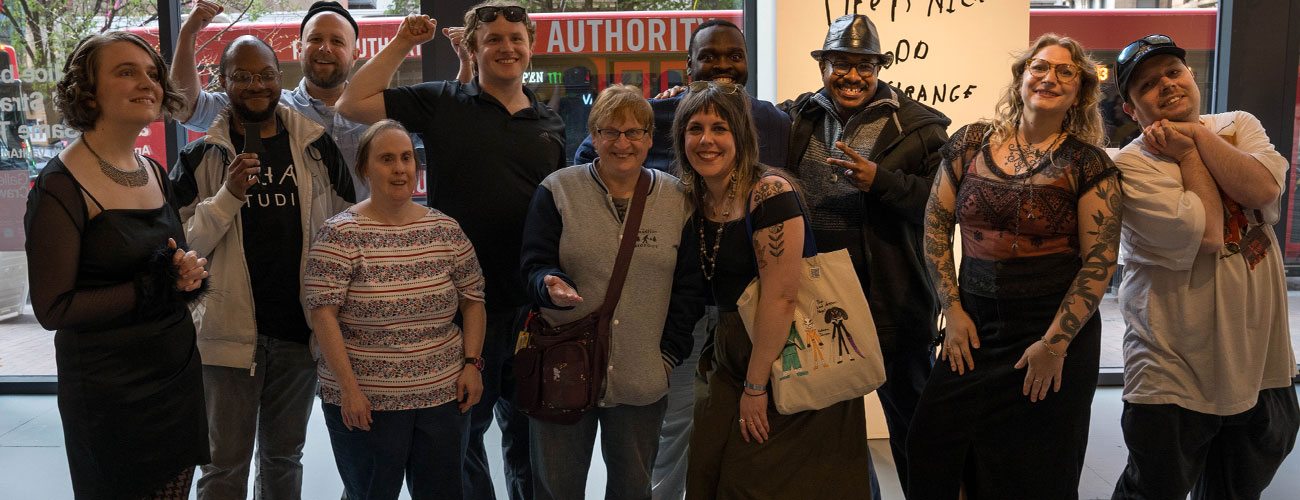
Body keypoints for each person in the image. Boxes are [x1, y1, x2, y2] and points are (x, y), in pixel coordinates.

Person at [337, 3, 565, 498]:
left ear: (531, 46)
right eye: (493, 39)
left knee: (529, 440)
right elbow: (352, 103)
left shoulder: (550, 121)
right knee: (464, 441)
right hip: (463, 309)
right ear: (473, 48)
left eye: (515, 38)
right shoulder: (443, 102)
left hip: (531, 308)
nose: (506, 47)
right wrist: (402, 42)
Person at [574, 20, 792, 498]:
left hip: (757, 314)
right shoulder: (662, 112)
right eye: (708, 57)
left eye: (733, 55)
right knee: (676, 434)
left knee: (763, 435)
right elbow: (591, 158)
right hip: (682, 306)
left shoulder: (774, 122)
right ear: (688, 67)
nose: (722, 65)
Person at [909, 34, 1121, 498]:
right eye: (1040, 66)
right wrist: (954, 311)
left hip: (1051, 330)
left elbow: (1100, 262)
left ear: (1080, 91)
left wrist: (1055, 344)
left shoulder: (1088, 164)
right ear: (1022, 76)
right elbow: (935, 227)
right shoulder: (970, 143)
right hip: (975, 324)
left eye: (1065, 71)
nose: (1049, 77)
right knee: (933, 444)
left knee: (1033, 466)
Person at [1108, 34, 1299, 499]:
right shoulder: (1130, 166)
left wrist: (1193, 135)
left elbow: (1261, 191)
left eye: (1174, 72)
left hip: (1261, 364)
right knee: (1154, 491)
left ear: (1191, 76)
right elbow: (1209, 236)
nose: (1168, 86)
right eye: (1149, 85)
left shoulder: (1238, 123)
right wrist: (1193, 153)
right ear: (1132, 110)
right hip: (1172, 372)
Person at [168, 36, 355, 500]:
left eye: (266, 75)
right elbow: (179, 249)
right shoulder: (200, 157)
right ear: (224, 82)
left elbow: (347, 234)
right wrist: (228, 196)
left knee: (283, 460)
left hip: (298, 332)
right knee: (223, 466)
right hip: (227, 338)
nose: (256, 85)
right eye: (243, 76)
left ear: (280, 78)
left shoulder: (317, 147)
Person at [25, 31, 210, 499]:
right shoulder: (60, 186)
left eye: (152, 73)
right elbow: (54, 309)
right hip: (111, 397)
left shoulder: (151, 170)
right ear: (86, 91)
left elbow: (165, 264)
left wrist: (184, 276)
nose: (147, 82)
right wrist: (157, 283)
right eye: (125, 71)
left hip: (176, 380)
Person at [778, 14, 949, 494]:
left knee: (912, 422)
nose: (851, 76)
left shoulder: (920, 127)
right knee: (828, 428)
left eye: (864, 66)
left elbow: (942, 208)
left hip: (894, 301)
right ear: (823, 65)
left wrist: (882, 182)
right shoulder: (795, 119)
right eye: (840, 63)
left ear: (881, 67)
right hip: (816, 301)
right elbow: (734, 123)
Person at [680, 81, 873, 499]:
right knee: (710, 469)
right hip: (731, 351)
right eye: (695, 128)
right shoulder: (697, 196)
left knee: (765, 480)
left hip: (788, 353)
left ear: (742, 137)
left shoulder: (769, 192)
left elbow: (781, 296)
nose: (706, 140)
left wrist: (755, 386)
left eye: (720, 128)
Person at [519, 84, 705, 500]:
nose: (623, 143)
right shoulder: (557, 191)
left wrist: (668, 355)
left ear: (649, 138)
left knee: (632, 490)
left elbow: (689, 288)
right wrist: (546, 285)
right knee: (556, 489)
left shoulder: (677, 199)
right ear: (593, 135)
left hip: (642, 377)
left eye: (634, 132)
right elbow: (532, 266)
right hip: (562, 368)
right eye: (610, 132)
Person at [304, 119, 486, 500]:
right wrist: (350, 390)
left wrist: (472, 364)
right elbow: (323, 316)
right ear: (365, 168)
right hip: (366, 402)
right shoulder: (339, 234)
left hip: (442, 398)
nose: (400, 168)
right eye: (387, 159)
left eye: (406, 158)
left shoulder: (445, 230)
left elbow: (473, 301)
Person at [173, 0, 375, 198]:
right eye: (315, 39)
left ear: (355, 54)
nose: (325, 48)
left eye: (337, 41)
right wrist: (188, 34)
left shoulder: (376, 116)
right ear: (300, 49)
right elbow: (187, 107)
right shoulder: (268, 106)